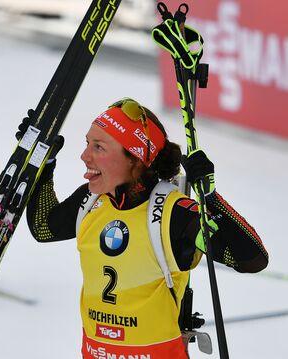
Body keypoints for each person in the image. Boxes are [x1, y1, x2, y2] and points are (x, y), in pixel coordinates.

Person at [25, 98, 268, 358]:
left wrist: (211, 199)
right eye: (87, 144)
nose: (85, 156)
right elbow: (44, 227)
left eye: (99, 147)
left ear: (135, 159)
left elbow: (252, 260)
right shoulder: (91, 200)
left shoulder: (174, 214)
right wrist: (44, 163)